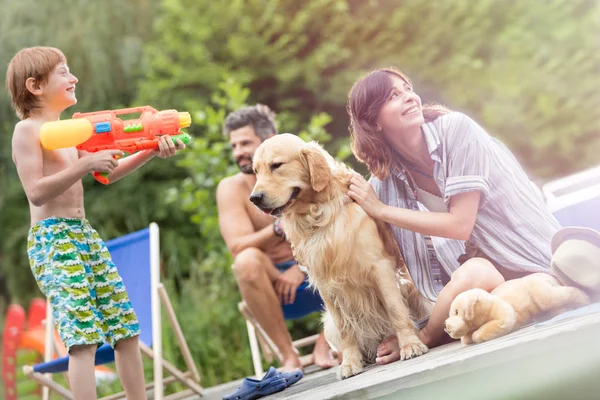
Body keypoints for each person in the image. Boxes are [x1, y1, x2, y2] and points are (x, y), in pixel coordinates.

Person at [345, 66, 563, 364]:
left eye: (408, 89)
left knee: (475, 282)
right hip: (486, 273)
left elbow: (461, 225)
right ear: (374, 122)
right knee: (474, 281)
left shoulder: (457, 130)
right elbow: (351, 223)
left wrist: (382, 211)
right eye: (393, 96)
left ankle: (426, 337)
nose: (409, 97)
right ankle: (464, 319)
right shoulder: (383, 184)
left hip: (529, 255)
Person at [7, 46, 186, 400]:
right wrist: (84, 165)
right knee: (83, 337)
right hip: (53, 239)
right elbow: (36, 193)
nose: (74, 78)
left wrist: (150, 149)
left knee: (126, 330)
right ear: (35, 85)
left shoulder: (71, 131)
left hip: (84, 234)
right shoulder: (27, 131)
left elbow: (110, 172)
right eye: (64, 72)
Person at [216, 104, 338, 371]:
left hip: (323, 272)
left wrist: (301, 266)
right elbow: (237, 246)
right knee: (246, 261)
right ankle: (288, 357)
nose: (239, 152)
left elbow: (334, 227)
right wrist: (278, 228)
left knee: (343, 244)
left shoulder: (299, 170)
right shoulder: (231, 188)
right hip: (275, 288)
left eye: (245, 143)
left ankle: (327, 342)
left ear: (269, 139)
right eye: (234, 146)